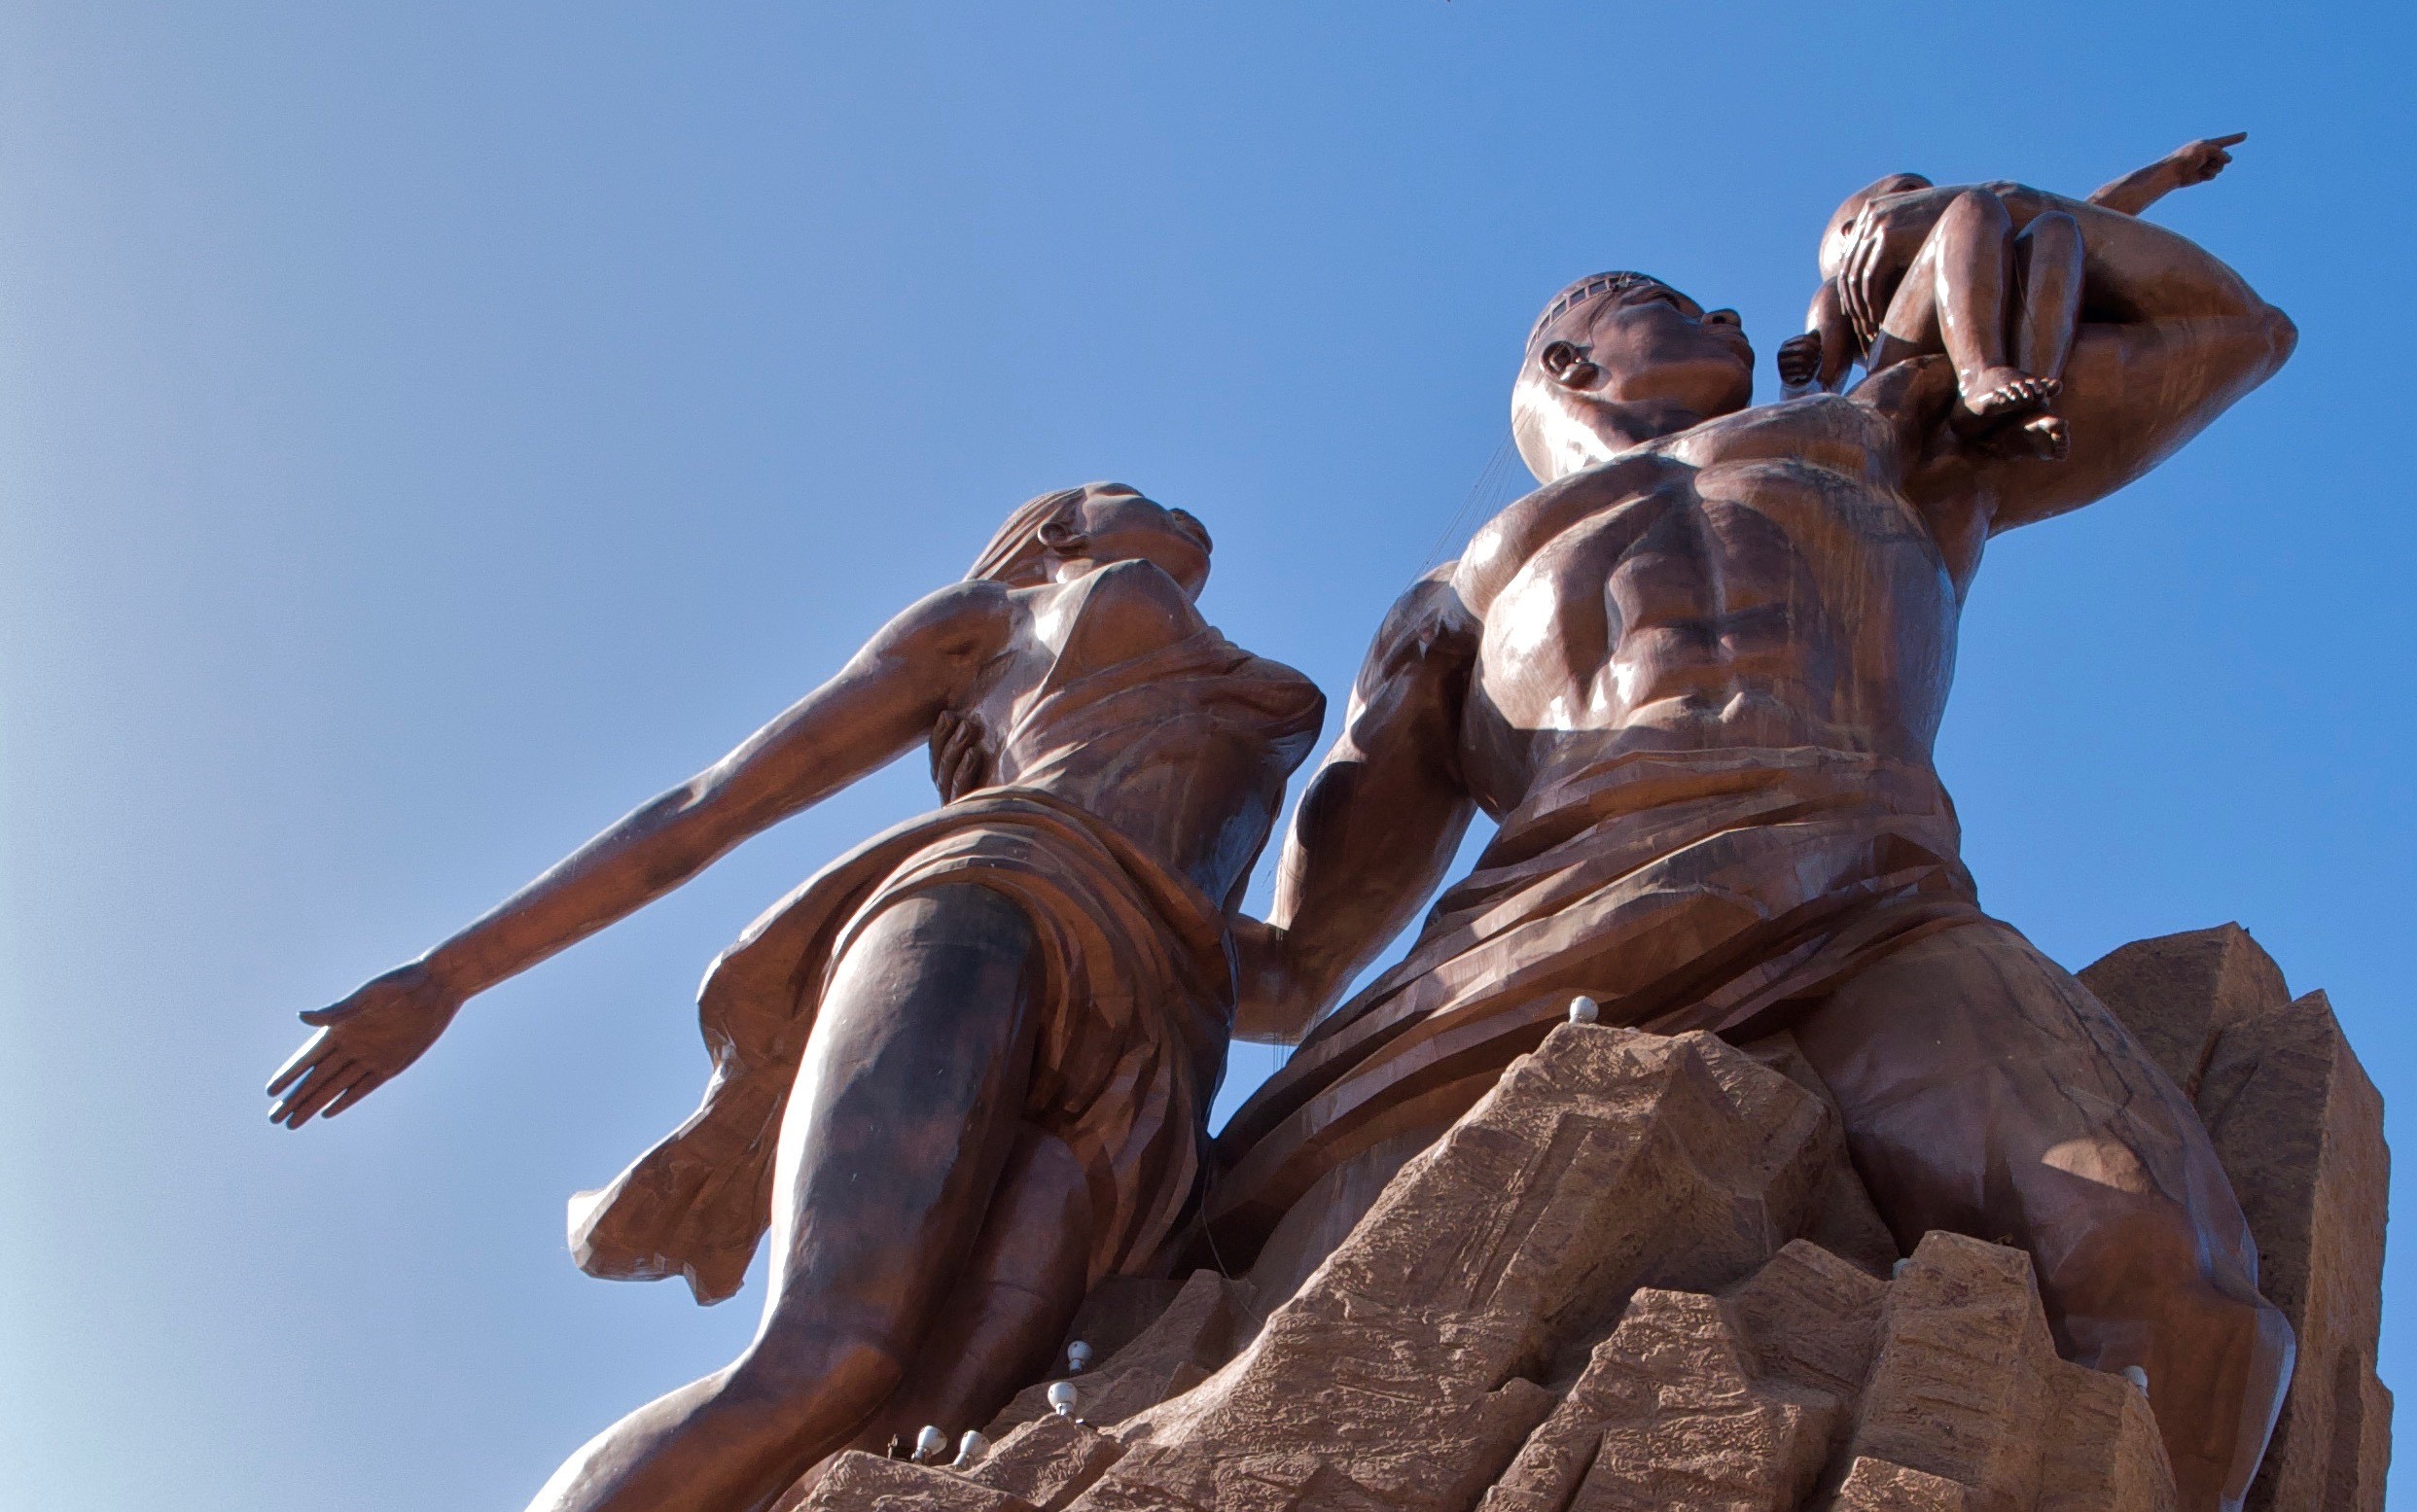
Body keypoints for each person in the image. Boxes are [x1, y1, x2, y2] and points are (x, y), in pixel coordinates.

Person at [1211, 159, 2296, 1510]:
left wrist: (2035, 218)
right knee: (1330, 1342)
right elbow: (1288, 964)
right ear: (1572, 356)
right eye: (1672, 302)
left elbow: (2234, 333)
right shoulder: (1454, 595)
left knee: (2170, 1278)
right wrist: (1072, 862)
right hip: (1528, 959)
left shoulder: (1878, 429)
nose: (1731, 313)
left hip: (1873, 899)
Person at [267, 483, 1323, 1512]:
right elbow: (706, 806)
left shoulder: (1261, 691)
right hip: (989, 909)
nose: (1180, 513)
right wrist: (448, 974)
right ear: (1058, 530)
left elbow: (1283, 974)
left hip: (1155, 1042)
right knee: (835, 1355)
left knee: (930, 1431)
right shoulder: (991, 619)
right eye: (1124, 491)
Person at [1778, 133, 2253, 459]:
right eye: (1907, 192)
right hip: (1901, 349)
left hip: (1992, 341)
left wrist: (2169, 172)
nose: (1926, 198)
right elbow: (1814, 384)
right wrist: (1799, 372)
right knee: (1977, 206)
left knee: (2059, 229)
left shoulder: (1977, 247)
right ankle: (1980, 373)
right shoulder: (1840, 293)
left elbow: (2092, 215)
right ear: (1847, 232)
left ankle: (2022, 410)